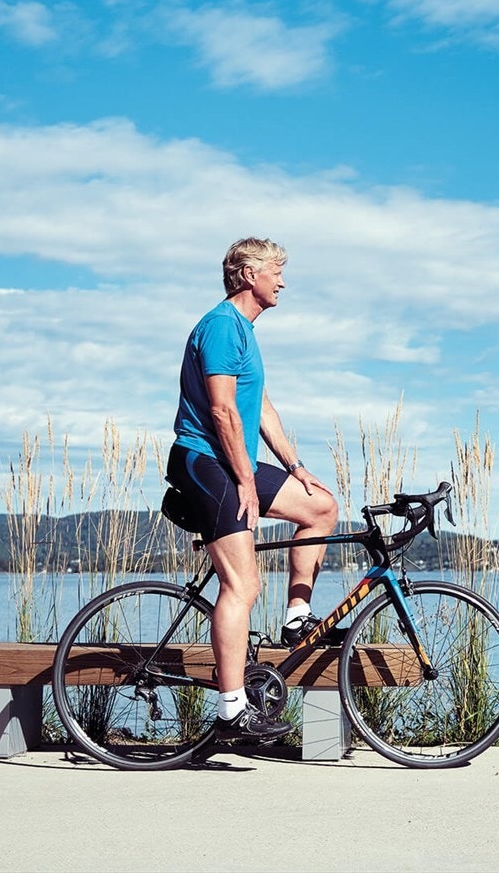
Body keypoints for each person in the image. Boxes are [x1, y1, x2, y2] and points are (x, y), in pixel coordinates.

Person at [166, 237, 338, 742]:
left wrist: (295, 467)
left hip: (229, 461)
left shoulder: (245, 330)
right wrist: (246, 481)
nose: (282, 281)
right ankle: (231, 710)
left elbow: (259, 408)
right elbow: (222, 411)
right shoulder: (222, 326)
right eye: (275, 271)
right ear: (247, 275)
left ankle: (297, 618)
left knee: (321, 508)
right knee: (242, 586)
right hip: (203, 461)